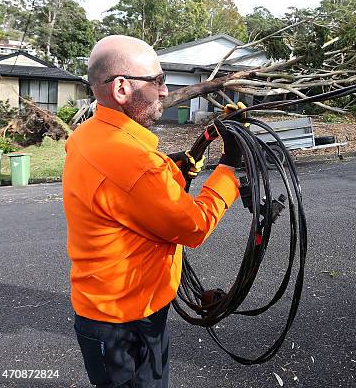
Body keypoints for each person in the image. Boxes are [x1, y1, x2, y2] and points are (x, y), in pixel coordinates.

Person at [62, 35, 242, 387]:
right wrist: (229, 166)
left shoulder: (87, 136)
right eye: (157, 80)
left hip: (110, 309)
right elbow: (194, 226)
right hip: (126, 321)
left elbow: (128, 197)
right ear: (122, 89)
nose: (164, 91)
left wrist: (178, 168)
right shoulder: (136, 164)